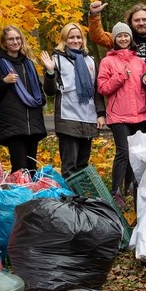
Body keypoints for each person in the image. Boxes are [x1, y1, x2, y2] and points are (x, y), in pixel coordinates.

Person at [40, 23, 106, 177]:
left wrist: (101, 113)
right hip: (68, 118)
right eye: (71, 37)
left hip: (88, 117)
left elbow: (96, 90)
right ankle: (69, 199)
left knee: (83, 164)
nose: (75, 40)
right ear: (64, 40)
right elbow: (50, 91)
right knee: (70, 166)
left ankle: (81, 199)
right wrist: (50, 71)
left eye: (78, 37)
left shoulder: (90, 60)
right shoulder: (57, 60)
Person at [96, 22, 146, 202]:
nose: (123, 38)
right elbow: (102, 88)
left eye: (126, 35)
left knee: (136, 153)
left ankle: (131, 187)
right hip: (119, 115)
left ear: (131, 37)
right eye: (119, 36)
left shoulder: (139, 62)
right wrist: (120, 76)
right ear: (114, 39)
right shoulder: (107, 61)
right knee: (123, 151)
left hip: (140, 114)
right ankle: (116, 190)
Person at [0, 25, 47, 174]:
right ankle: (20, 197)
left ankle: (32, 197)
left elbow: (40, 94)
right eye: (11, 39)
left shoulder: (29, 64)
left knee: (32, 169)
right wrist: (3, 82)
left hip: (33, 124)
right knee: (19, 169)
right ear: (4, 43)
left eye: (18, 38)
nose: (15, 42)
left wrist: (40, 101)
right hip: (13, 126)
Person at [88, 1, 146, 69]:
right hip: (131, 85)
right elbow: (97, 36)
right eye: (137, 20)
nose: (141, 23)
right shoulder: (124, 39)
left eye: (144, 19)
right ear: (130, 22)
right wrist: (94, 14)